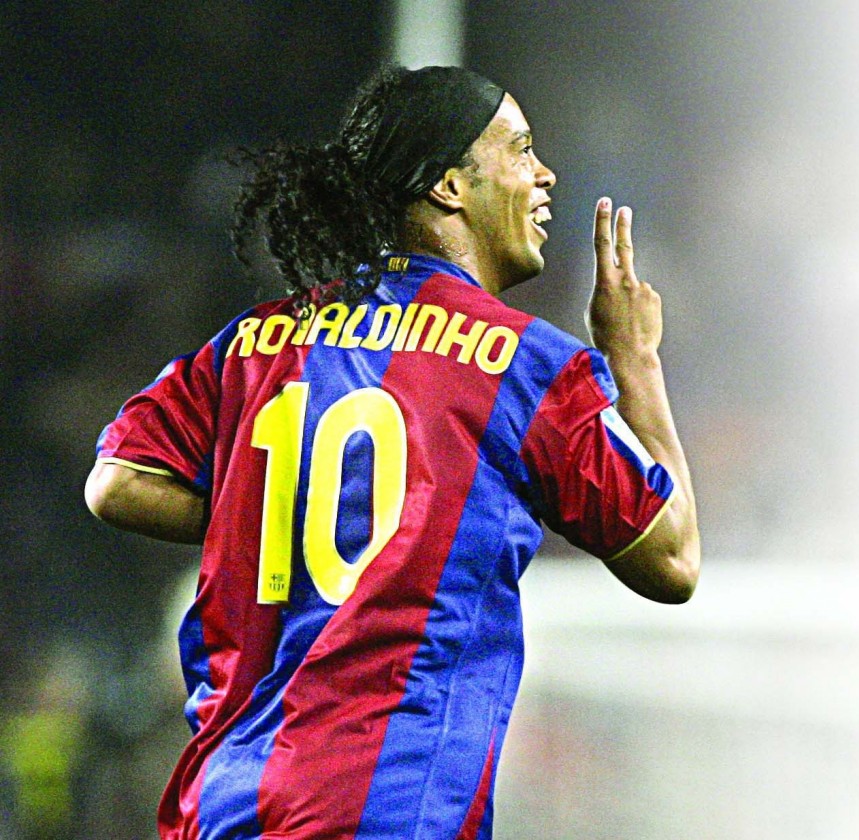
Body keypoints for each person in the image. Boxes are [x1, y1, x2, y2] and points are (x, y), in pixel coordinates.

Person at [84, 65, 700, 840]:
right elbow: (672, 560)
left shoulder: (258, 340)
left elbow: (117, 482)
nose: (545, 175)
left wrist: (297, 502)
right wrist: (635, 356)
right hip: (384, 810)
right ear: (448, 185)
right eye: (521, 150)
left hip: (223, 804)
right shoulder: (520, 364)